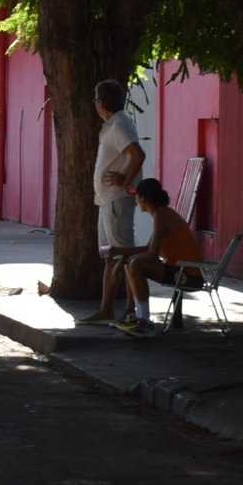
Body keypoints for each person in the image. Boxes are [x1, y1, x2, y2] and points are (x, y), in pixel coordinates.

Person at [87, 177, 204, 336]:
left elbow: (152, 254)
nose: (136, 200)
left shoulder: (161, 216)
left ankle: (145, 322)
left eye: (137, 196)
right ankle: (139, 317)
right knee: (132, 263)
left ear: (143, 198)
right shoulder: (162, 214)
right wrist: (119, 253)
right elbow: (148, 248)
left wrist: (123, 259)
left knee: (135, 264)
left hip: (189, 275)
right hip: (180, 270)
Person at [76, 82, 146, 324]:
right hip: (106, 200)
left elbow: (138, 154)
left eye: (96, 99)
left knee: (124, 255)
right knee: (110, 255)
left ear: (101, 103)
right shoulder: (113, 125)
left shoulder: (119, 124)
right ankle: (106, 309)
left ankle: (130, 308)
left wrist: (125, 181)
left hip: (117, 200)